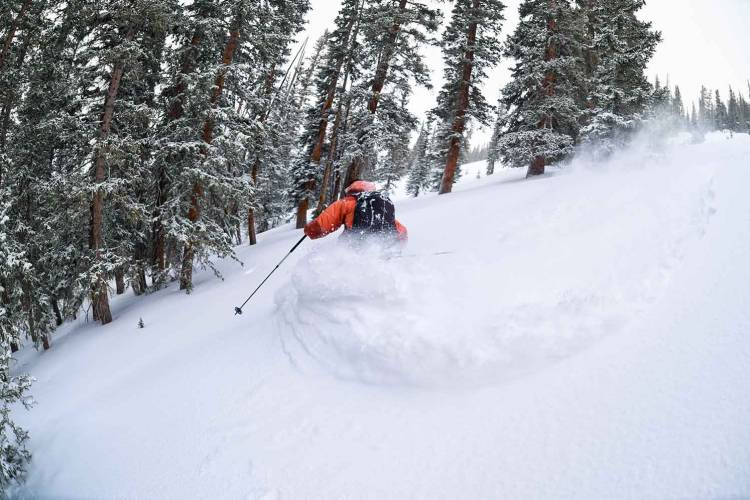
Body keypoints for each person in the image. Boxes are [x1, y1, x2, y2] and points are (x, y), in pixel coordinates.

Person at [303, 180, 408, 244]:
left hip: (355, 248)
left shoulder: (347, 202)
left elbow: (323, 224)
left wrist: (310, 230)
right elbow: (401, 230)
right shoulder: (379, 204)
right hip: (384, 248)